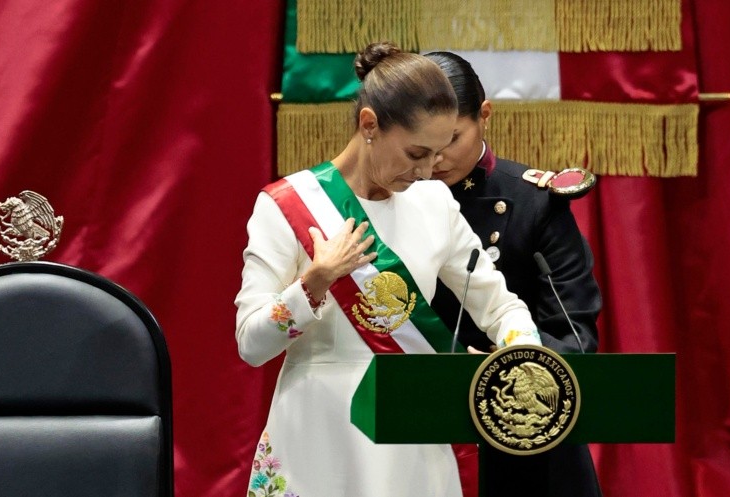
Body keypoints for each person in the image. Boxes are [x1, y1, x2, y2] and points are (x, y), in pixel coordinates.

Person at [235, 42, 545, 497]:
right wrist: (315, 281)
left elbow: (500, 308)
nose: (427, 171)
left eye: (437, 155)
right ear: (369, 125)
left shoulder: (434, 203)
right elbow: (251, 344)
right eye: (416, 153)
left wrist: (522, 357)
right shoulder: (286, 206)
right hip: (318, 433)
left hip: (410, 436)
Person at [425, 51, 604, 497]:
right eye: (423, 142)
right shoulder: (393, 202)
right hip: (423, 422)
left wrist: (505, 370)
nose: (436, 158)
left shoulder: (534, 201)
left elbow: (573, 330)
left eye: (451, 139)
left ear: (484, 115)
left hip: (523, 429)